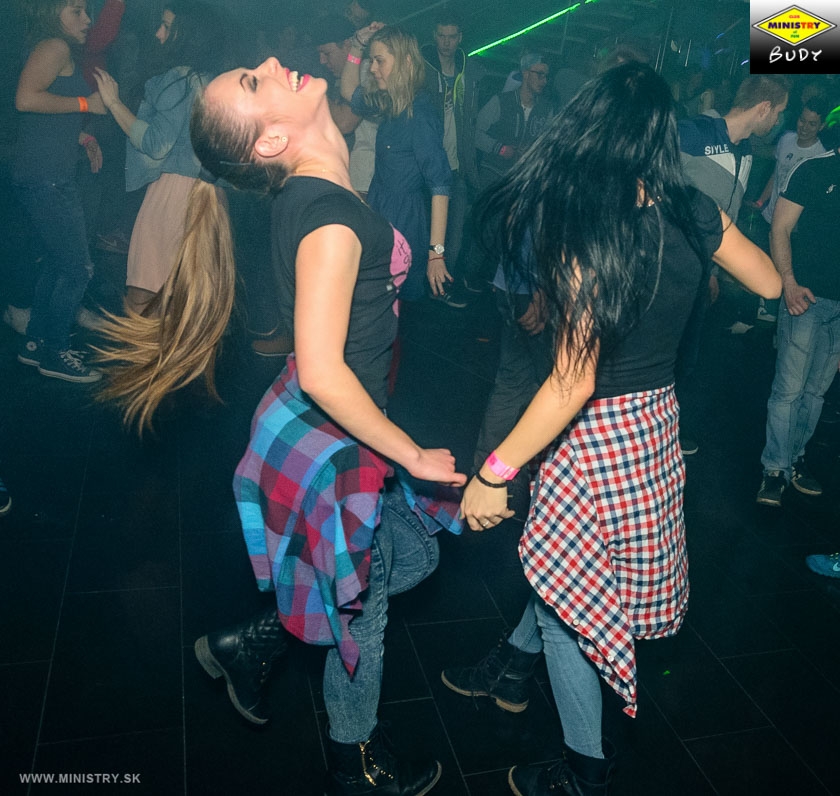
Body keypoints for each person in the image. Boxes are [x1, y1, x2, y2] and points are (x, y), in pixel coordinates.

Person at [96, 55, 466, 795]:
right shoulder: (327, 215)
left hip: (313, 417)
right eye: (253, 82)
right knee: (365, 614)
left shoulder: (315, 185)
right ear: (269, 142)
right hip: (331, 433)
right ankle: (356, 764)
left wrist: (365, 55)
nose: (270, 63)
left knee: (410, 559)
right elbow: (328, 370)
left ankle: (256, 640)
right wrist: (413, 455)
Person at [441, 63, 781, 795]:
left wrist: (494, 473)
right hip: (655, 422)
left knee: (566, 599)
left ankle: (586, 769)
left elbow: (572, 382)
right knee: (571, 567)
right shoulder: (690, 207)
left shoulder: (590, 227)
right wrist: (712, 228)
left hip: (593, 433)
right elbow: (769, 281)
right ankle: (512, 669)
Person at [93, 1, 230, 314]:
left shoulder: (179, 80)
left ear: (187, 33)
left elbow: (156, 144)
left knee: (143, 298)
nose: (158, 33)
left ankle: (140, 349)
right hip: (211, 196)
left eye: (167, 26)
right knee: (190, 305)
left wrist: (113, 103)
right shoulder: (216, 81)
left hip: (174, 195)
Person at [13, 0, 107, 383]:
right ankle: (55, 351)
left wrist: (82, 137)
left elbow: (42, 113)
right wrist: (87, 103)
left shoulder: (50, 46)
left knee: (57, 261)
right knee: (77, 268)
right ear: (53, 12)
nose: (87, 19)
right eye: (77, 11)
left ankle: (36, 343)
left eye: (86, 11)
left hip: (44, 172)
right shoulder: (55, 46)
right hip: (48, 177)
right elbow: (26, 99)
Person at [341, 24, 452, 302]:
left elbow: (440, 184)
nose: (373, 68)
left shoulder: (420, 114)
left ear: (406, 62)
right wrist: (357, 47)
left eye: (380, 61)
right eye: (372, 60)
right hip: (379, 209)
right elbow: (349, 91)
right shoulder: (392, 103)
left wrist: (436, 254)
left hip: (402, 220)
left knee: (386, 303)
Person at [755, 146, 840, 507]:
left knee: (815, 393)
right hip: (805, 297)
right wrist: (788, 282)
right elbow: (781, 227)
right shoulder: (815, 169)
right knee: (789, 390)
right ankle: (775, 469)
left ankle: (794, 459)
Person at [421, 10, 482, 307]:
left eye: (452, 36)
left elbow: (470, 123)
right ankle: (421, 290)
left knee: (454, 237)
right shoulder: (421, 68)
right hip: (426, 169)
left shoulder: (469, 70)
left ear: (460, 38)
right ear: (435, 36)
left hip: (456, 168)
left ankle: (442, 288)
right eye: (441, 36)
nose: (446, 42)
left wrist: (471, 168)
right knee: (426, 234)